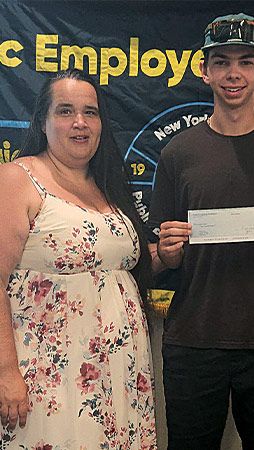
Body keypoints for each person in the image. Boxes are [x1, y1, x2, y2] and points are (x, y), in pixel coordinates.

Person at [148, 12, 254, 450]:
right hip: (192, 341)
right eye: (221, 61)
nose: (233, 74)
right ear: (204, 71)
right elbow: (158, 254)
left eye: (245, 62)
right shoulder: (177, 152)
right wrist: (167, 253)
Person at [0, 69, 157, 449]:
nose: (80, 123)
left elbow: (108, 266)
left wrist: (165, 254)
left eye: (91, 112)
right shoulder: (17, 178)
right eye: (66, 111)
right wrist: (6, 372)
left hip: (120, 373)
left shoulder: (107, 184)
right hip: (48, 376)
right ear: (43, 120)